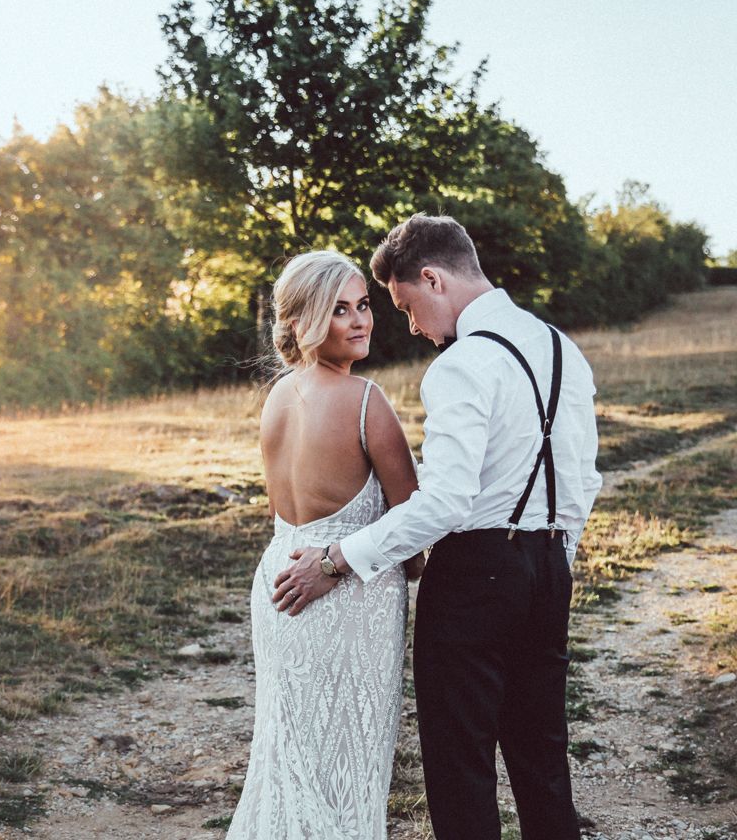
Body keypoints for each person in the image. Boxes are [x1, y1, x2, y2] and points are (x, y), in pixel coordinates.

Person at [274, 215, 602, 840]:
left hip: (474, 576)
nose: (412, 326)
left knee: (460, 764)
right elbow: (584, 480)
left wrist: (335, 559)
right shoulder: (563, 347)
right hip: (550, 569)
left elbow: (447, 502)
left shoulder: (460, 365)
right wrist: (555, 553)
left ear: (432, 278)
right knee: (542, 757)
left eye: (405, 306)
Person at [226, 250, 425, 840]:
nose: (361, 320)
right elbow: (413, 535)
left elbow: (282, 512)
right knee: (348, 762)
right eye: (340, 310)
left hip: (278, 582)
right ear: (303, 322)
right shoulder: (367, 402)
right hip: (348, 599)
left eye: (364, 305)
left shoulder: (277, 399)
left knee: (288, 755)